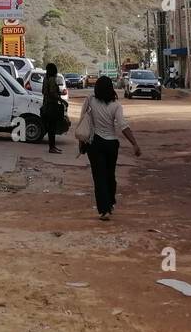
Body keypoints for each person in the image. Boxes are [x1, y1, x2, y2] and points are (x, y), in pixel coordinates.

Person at [78, 75, 141, 220]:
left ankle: (104, 209)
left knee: (99, 177)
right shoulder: (116, 105)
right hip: (111, 145)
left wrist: (81, 143)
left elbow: (83, 121)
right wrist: (134, 144)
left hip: (95, 144)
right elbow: (123, 126)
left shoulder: (90, 101)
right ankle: (110, 202)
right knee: (110, 175)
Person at [41, 62, 65, 154]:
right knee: (52, 128)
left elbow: (44, 91)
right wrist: (62, 100)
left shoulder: (45, 79)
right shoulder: (52, 79)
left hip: (46, 105)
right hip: (52, 106)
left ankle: (53, 146)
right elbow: (52, 93)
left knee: (50, 127)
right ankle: (52, 147)